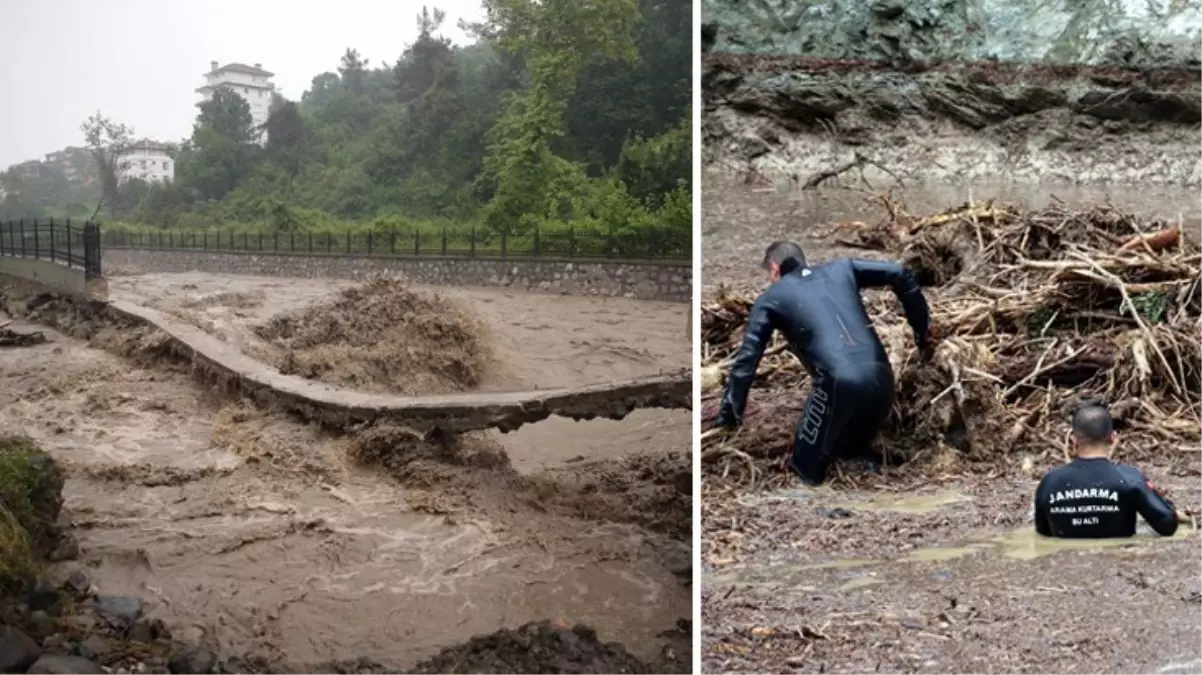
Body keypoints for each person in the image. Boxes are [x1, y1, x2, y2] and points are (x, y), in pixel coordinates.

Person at [713, 241, 933, 486]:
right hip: (882, 379)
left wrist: (729, 417)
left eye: (769, 276)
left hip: (839, 384)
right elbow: (899, 274)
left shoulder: (771, 298)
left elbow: (747, 360)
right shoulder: (842, 268)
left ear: (775, 269)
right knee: (851, 450)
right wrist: (923, 333)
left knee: (804, 471)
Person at [1034, 405, 1184, 538]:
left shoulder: (1049, 482)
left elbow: (1043, 533)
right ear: (1113, 438)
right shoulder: (1130, 478)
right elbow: (1168, 525)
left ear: (1074, 440)